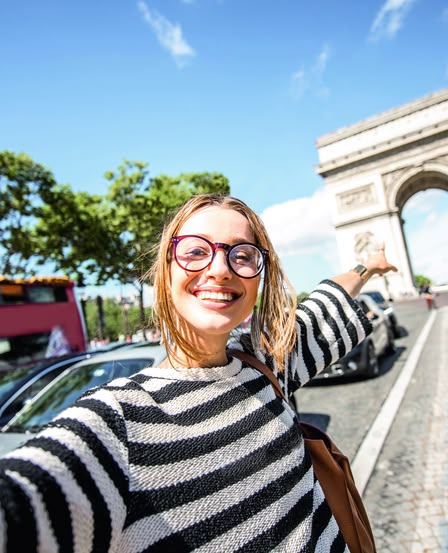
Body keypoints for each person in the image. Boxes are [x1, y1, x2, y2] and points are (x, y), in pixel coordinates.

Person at [0, 194, 397, 552]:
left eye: (242, 255)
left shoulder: (265, 362)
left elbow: (327, 303)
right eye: (195, 251)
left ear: (259, 275)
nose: (221, 269)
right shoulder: (116, 424)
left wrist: (368, 266)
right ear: (165, 269)